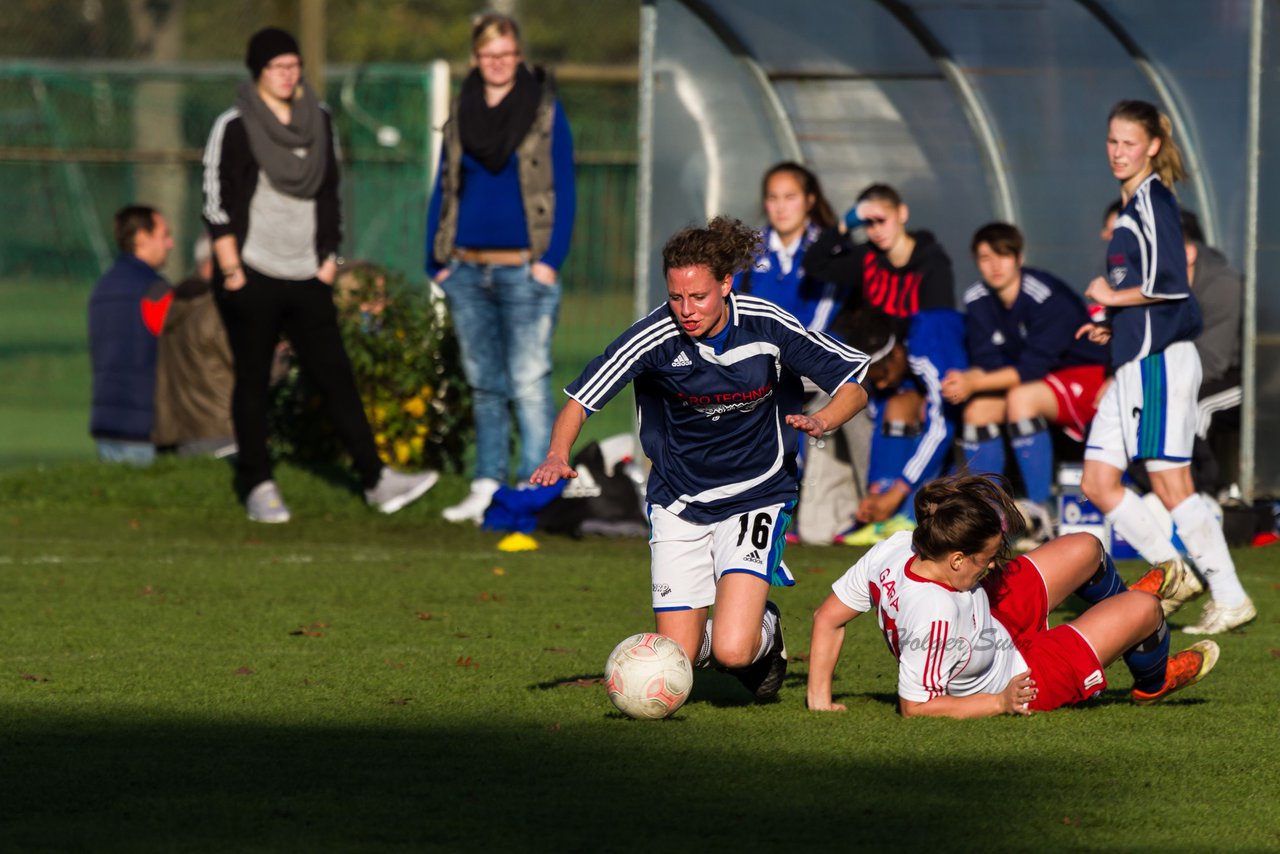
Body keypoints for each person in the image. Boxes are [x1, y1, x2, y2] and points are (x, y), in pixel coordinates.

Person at [530, 216, 870, 701]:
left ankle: (764, 632)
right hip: (678, 501)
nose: (685, 310)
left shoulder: (766, 324)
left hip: (758, 493)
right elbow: (581, 400)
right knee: (678, 658)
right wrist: (557, 454)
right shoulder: (653, 337)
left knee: (732, 650)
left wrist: (824, 420)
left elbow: (853, 385)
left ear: (726, 284)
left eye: (698, 297)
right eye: (675, 297)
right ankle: (741, 636)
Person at [202, 26, 437, 522]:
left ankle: (377, 480)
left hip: (308, 272)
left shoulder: (320, 120)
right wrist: (231, 268)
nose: (288, 76)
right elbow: (217, 200)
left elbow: (331, 191)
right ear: (258, 73)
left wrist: (329, 258)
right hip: (253, 271)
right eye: (277, 68)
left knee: (335, 376)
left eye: (294, 66)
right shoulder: (236, 125)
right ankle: (257, 482)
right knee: (254, 381)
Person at [806, 475, 1219, 717]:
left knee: (1086, 548)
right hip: (1018, 674)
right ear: (956, 558)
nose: (993, 565)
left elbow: (828, 616)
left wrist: (819, 701)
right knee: (1146, 608)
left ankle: (1118, 612)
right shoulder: (933, 614)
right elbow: (916, 707)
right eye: (987, 558)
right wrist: (1000, 702)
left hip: (986, 613)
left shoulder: (898, 546)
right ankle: (1153, 680)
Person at [1076, 99, 1254, 634]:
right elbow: (1154, 296)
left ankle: (1229, 595)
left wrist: (1111, 294)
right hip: (1136, 358)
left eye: (1129, 142)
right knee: (1098, 481)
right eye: (1112, 141)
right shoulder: (1132, 204)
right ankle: (1174, 575)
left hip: (1158, 364)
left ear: (1152, 146)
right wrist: (1116, 323)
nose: (1118, 152)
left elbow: (1172, 286)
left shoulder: (1154, 200)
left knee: (1169, 481)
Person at [425, 12, 576, 525]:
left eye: (506, 54)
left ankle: (533, 487)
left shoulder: (545, 111)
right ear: (476, 58)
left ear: (519, 55)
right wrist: (435, 260)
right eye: (488, 55)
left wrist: (550, 262)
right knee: (484, 383)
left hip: (525, 268)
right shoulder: (461, 108)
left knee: (529, 381)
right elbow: (444, 187)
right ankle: (487, 482)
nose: (497, 63)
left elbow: (565, 190)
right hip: (466, 268)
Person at [940, 222, 1109, 542]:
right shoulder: (977, 298)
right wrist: (966, 380)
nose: (995, 265)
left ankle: (1040, 514)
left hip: (1088, 376)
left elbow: (1032, 369)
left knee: (1020, 399)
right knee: (978, 410)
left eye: (1003, 255)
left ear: (1019, 257)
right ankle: (986, 517)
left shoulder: (1044, 295)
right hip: (1036, 384)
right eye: (986, 257)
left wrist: (975, 382)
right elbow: (991, 365)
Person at [830, 306, 966, 543]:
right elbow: (880, 414)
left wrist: (898, 490)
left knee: (935, 414)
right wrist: (876, 493)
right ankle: (883, 518)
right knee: (896, 404)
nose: (880, 384)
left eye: (882, 375)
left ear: (897, 354)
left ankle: (908, 514)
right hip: (949, 401)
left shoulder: (926, 347)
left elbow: (943, 426)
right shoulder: (897, 360)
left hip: (993, 388)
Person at [88, 205, 175, 465]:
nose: (170, 243)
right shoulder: (155, 291)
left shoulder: (101, 289)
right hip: (145, 427)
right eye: (164, 234)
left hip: (107, 424)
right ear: (141, 237)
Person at [806, 183, 955, 320]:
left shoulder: (934, 263)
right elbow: (814, 265)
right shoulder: (867, 256)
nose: (877, 230)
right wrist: (845, 225)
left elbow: (938, 324)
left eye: (882, 220)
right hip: (873, 346)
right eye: (868, 223)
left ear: (902, 213)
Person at [153, 233, 237, 458]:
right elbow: (251, 367)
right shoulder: (217, 310)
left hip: (182, 434)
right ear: (214, 263)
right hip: (224, 430)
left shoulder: (174, 305)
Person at [732, 161, 842, 331]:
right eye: (772, 198)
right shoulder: (747, 248)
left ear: (809, 201)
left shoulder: (830, 250)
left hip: (807, 354)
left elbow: (817, 326)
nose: (780, 208)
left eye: (790, 197)